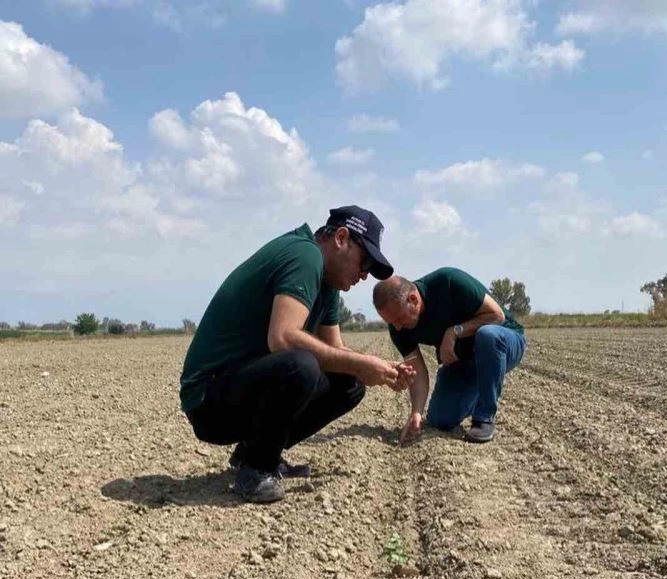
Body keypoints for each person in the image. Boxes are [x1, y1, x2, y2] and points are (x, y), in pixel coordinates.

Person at [180, 206, 412, 503]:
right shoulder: (306, 255)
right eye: (364, 262)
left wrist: (379, 368)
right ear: (341, 238)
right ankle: (256, 468)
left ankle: (255, 450)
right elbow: (283, 338)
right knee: (300, 365)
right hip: (207, 401)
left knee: (350, 383)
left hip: (240, 389)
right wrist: (360, 362)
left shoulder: (328, 285)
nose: (364, 276)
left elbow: (336, 350)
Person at [373, 268, 526, 444]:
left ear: (413, 299)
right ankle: (480, 388)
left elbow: (497, 316)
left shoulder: (449, 282)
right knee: (440, 420)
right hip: (464, 361)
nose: (397, 327)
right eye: (391, 322)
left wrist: (454, 332)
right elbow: (418, 369)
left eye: (399, 319)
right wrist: (416, 412)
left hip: (504, 342)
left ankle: (484, 418)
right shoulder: (397, 327)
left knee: (487, 335)